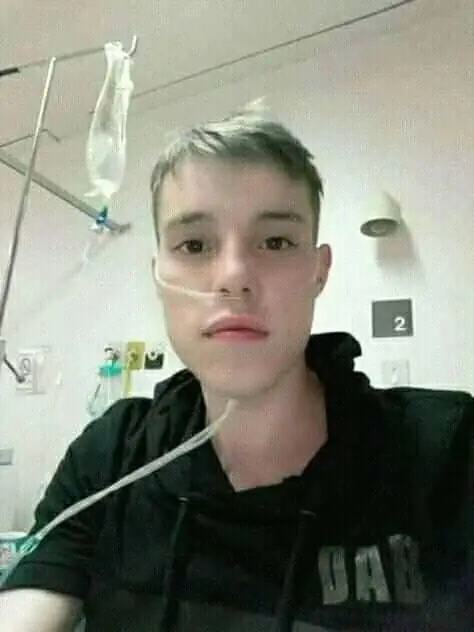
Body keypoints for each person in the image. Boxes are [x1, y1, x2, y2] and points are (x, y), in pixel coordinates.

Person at [0, 104, 473, 632]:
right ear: (158, 277)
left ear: (319, 271)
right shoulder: (110, 460)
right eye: (194, 244)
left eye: (275, 242)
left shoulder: (447, 456)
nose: (234, 276)